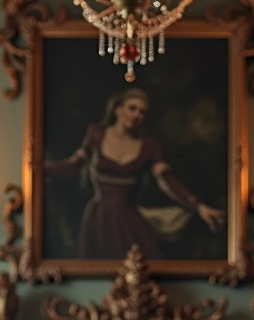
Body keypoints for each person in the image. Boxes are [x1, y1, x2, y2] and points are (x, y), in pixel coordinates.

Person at [45, 87, 224, 260]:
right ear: (118, 109)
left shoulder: (149, 146)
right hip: (98, 218)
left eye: (142, 112)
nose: (137, 115)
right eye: (132, 108)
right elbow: (73, 165)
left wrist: (198, 206)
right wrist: (41, 168)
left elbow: (166, 181)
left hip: (128, 218)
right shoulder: (96, 134)